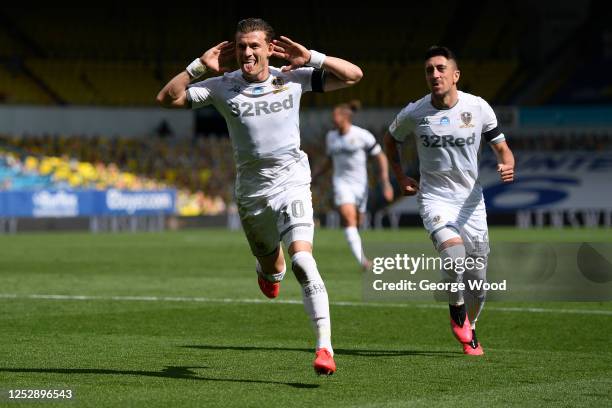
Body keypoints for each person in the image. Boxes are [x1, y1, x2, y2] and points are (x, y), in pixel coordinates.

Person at [156, 18, 363, 374]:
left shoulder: (291, 78)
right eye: (241, 47)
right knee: (275, 268)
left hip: (292, 181)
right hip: (252, 193)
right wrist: (197, 67)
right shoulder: (222, 86)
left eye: (254, 45)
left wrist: (313, 56)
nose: (247, 53)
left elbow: (353, 75)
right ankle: (269, 269)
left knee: (303, 261)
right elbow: (167, 98)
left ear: (269, 48)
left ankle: (324, 348)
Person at [383, 46, 515, 355]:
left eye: (441, 68)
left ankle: (470, 327)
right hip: (435, 199)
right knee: (454, 255)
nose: (435, 74)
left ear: (455, 75)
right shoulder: (415, 112)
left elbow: (502, 148)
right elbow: (390, 140)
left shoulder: (478, 108)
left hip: (471, 202)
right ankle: (455, 307)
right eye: (429, 70)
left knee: (478, 282)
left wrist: (508, 163)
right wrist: (401, 177)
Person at [312, 101, 393, 270]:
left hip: (361, 186)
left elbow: (381, 157)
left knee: (357, 221)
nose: (332, 118)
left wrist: (385, 182)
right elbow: (329, 161)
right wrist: (314, 176)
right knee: (348, 218)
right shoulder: (331, 137)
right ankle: (363, 261)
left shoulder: (362, 135)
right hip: (341, 184)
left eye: (335, 115)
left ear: (345, 116)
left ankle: (359, 247)